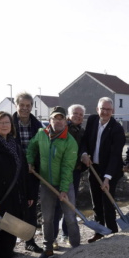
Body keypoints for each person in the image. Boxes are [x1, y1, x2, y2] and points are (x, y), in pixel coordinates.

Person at [26, 106, 81, 258]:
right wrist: (30, 161)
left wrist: (64, 190)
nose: (58, 121)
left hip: (65, 184)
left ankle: (77, 248)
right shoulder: (41, 134)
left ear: (66, 121)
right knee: (47, 218)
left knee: (70, 217)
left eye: (61, 118)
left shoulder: (70, 142)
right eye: (55, 118)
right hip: (46, 183)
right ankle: (48, 248)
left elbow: (67, 168)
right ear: (50, 120)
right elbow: (31, 148)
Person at [0, 111, 32, 258]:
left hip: (15, 194)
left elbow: (23, 172)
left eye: (7, 122)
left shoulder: (14, 143)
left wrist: (27, 195)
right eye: (1, 123)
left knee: (11, 229)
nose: (5, 125)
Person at [79, 97, 126, 242]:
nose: (105, 112)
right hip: (93, 167)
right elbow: (85, 141)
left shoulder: (117, 129)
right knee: (96, 203)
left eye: (108, 110)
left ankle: (112, 232)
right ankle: (99, 231)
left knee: (107, 202)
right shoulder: (93, 120)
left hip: (110, 170)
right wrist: (84, 154)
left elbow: (115, 156)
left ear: (113, 111)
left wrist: (107, 178)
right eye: (102, 109)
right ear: (97, 109)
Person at [11, 91, 43, 253]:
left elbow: (41, 149)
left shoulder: (38, 126)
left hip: (31, 173)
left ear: (32, 106)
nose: (24, 108)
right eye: (21, 105)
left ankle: (29, 241)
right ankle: (9, 246)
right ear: (16, 105)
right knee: (12, 208)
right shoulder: (7, 122)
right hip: (11, 173)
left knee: (30, 207)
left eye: (28, 105)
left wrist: (34, 164)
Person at [53, 104, 86, 246]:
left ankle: (65, 234)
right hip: (58, 171)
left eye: (80, 114)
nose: (78, 116)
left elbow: (84, 147)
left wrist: (84, 154)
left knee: (70, 203)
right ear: (68, 115)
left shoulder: (82, 131)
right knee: (56, 204)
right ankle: (53, 237)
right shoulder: (62, 129)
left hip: (75, 171)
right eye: (75, 113)